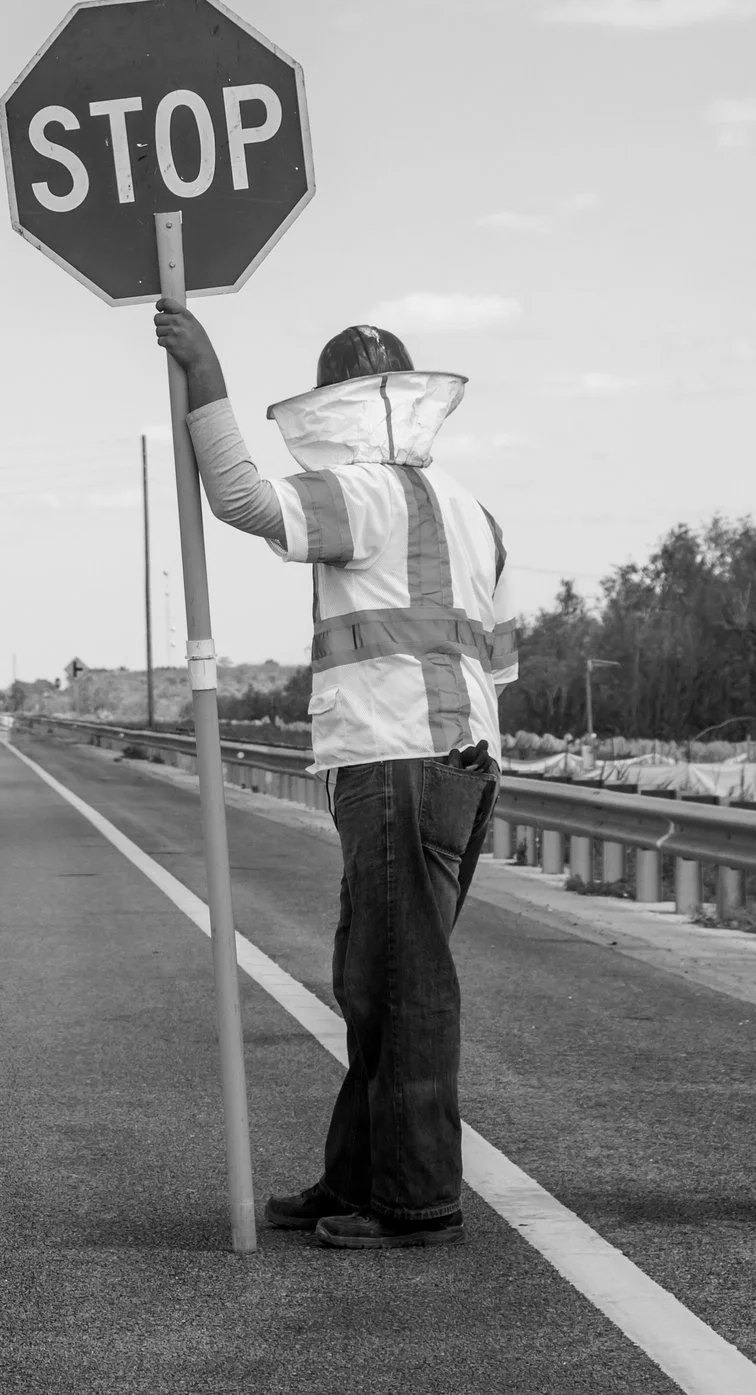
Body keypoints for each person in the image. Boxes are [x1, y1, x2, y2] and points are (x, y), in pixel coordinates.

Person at [155, 301, 514, 1252]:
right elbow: (501, 660)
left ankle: (417, 1199)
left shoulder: (362, 494)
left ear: (343, 409)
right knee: (376, 977)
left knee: (404, 986)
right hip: (458, 761)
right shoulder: (475, 510)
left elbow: (240, 498)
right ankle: (356, 1176)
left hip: (396, 758)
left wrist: (206, 376)